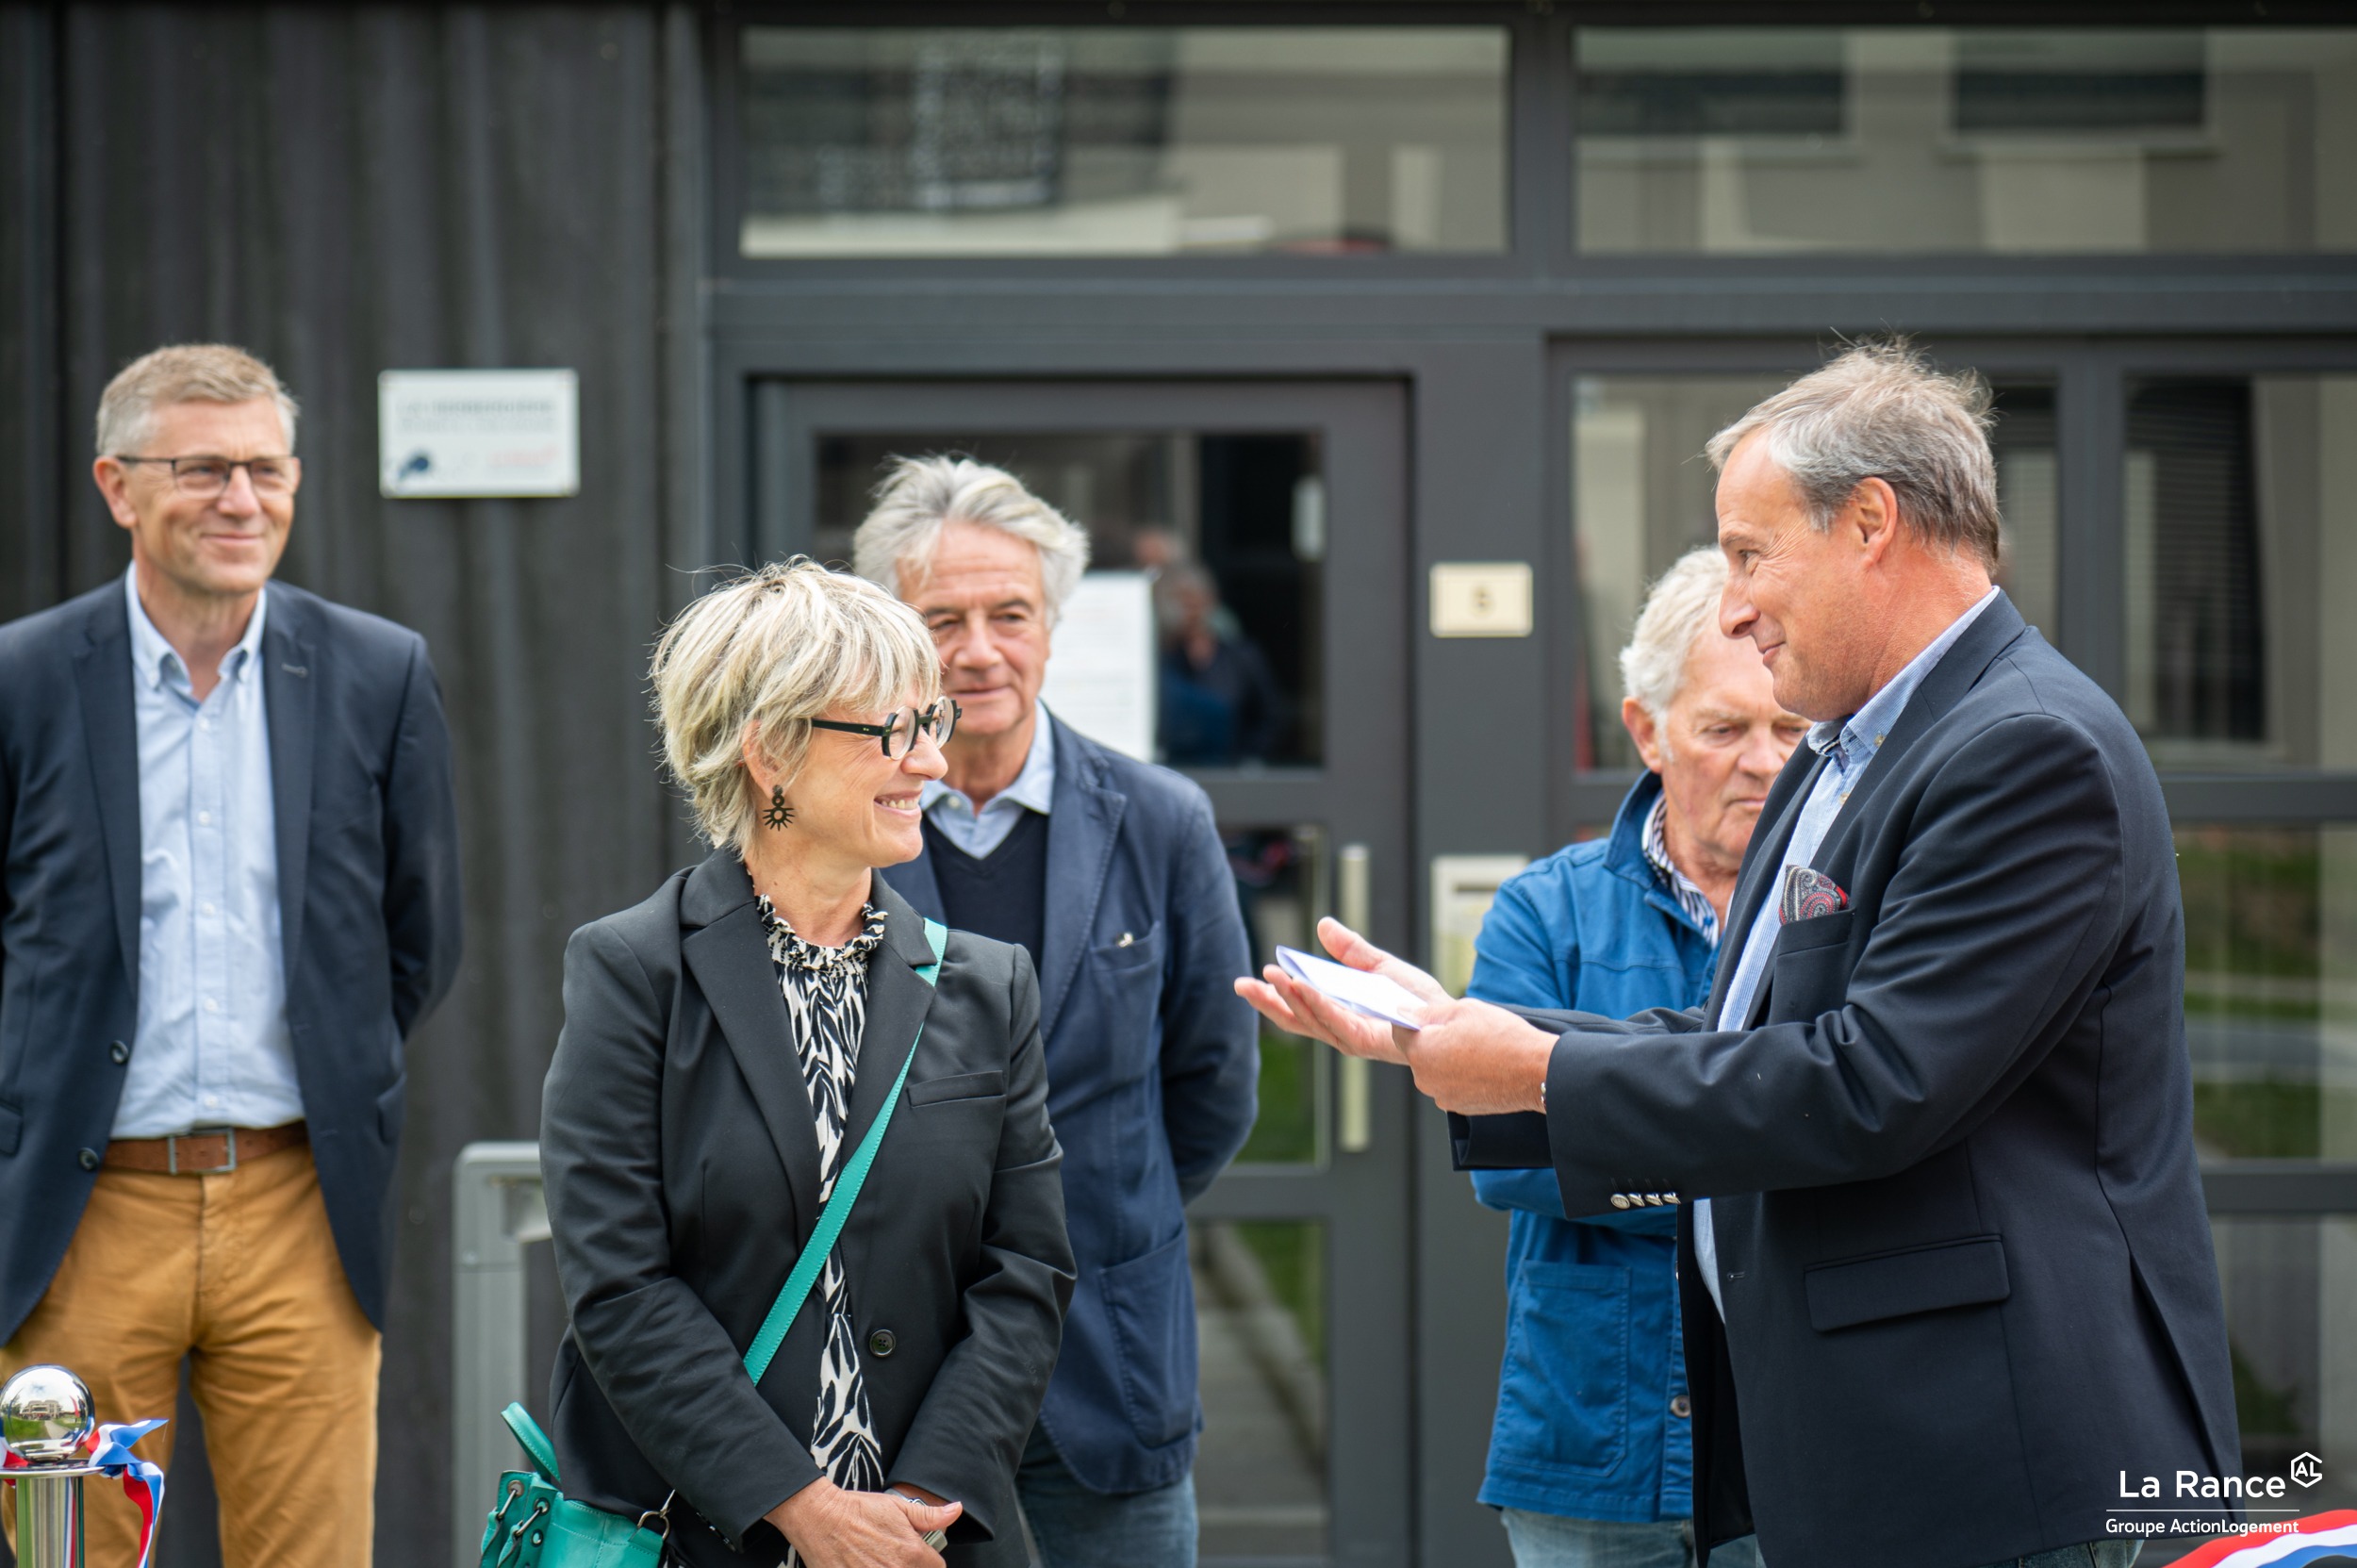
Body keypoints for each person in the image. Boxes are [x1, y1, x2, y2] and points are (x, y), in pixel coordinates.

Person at [1241, 342, 2239, 1568]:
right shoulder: (1846, 748)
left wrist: (1539, 1072)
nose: (1732, 605)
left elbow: (1871, 1081)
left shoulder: (2027, 749)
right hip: (1898, 1457)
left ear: (1869, 521)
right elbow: (1751, 1042)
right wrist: (1465, 1033)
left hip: (2002, 1468)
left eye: (1750, 553)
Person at [0, 343, 462, 1564]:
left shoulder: (377, 673)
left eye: (267, 469)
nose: (242, 500)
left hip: (300, 1209)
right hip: (79, 1218)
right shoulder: (22, 679)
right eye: (203, 469)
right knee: (59, 1552)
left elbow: (419, 935)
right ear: (118, 485)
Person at [540, 559, 1074, 1568]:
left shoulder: (988, 983)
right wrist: (801, 1506)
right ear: (769, 750)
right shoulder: (634, 972)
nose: (930, 761)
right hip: (704, 1534)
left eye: (932, 723)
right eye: (891, 731)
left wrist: (921, 1496)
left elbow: (1027, 1270)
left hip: (930, 1542)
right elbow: (620, 1285)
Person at [854, 457, 1259, 1568]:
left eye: (1010, 614)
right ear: (894, 635)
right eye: (942, 620)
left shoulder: (1162, 820)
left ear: (1053, 624)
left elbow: (1214, 1086)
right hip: (889, 1374)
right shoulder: (843, 829)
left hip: (1105, 1353)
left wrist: (1088, 1217)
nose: (979, 650)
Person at [1470, 548, 1799, 1568]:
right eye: (1724, 729)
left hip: (1795, 1448)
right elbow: (1505, 1152)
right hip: (1591, 1439)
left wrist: (1608, 1122)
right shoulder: (1545, 911)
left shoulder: (1855, 911)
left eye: (1790, 728)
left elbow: (1885, 1119)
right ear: (1647, 730)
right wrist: (1759, 1143)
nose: (1764, 760)